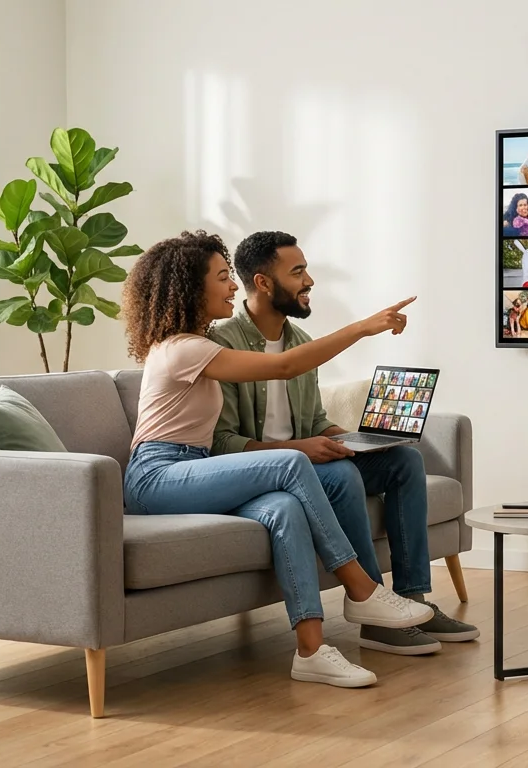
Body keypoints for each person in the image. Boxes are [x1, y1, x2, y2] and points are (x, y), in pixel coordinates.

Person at [120, 230, 432, 689]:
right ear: (190, 288)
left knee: (283, 509)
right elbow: (284, 367)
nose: (232, 287)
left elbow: (291, 373)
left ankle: (310, 650)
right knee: (291, 463)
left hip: (197, 468)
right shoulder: (182, 349)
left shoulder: (194, 345)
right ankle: (362, 588)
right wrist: (363, 327)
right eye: (224, 278)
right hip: (157, 475)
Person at [209, 231, 479, 658]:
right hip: (264, 470)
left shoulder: (299, 342)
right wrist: (303, 448)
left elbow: (314, 420)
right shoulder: (222, 342)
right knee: (340, 473)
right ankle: (371, 613)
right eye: (297, 272)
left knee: (404, 461)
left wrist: (356, 438)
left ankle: (413, 601)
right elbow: (221, 443)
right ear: (263, 283)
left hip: (307, 457)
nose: (309, 280)